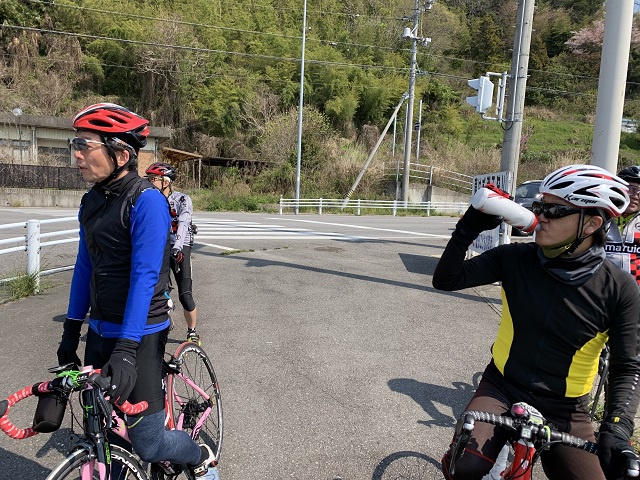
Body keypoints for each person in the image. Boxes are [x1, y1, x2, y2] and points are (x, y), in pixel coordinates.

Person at [432, 164, 640, 480]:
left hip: (567, 408)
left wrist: (617, 427)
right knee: (465, 467)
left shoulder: (619, 288)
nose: (539, 215)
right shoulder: (514, 259)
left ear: (592, 223)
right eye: (539, 205)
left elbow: (628, 365)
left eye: (553, 210)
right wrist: (468, 227)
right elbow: (446, 279)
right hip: (502, 385)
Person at [56, 103, 219, 479]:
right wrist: (70, 332)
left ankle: (200, 458)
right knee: (101, 433)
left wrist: (127, 350)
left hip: (141, 335)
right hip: (99, 330)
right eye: (74, 144)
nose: (77, 154)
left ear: (121, 154)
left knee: (147, 441)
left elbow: (146, 278)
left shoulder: (147, 202)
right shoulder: (92, 200)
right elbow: (85, 268)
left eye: (85, 145)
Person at [144, 162, 200, 345]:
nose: (151, 182)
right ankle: (165, 314)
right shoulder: (149, 199)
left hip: (180, 244)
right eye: (149, 179)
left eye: (154, 179)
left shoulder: (182, 199)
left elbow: (184, 222)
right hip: (160, 246)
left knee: (185, 295)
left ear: (165, 182)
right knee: (156, 289)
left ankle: (192, 331)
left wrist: (177, 247)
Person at [606, 165, 640, 285]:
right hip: (602, 289)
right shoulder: (602, 217)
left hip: (635, 293)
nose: (636, 196)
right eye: (632, 189)